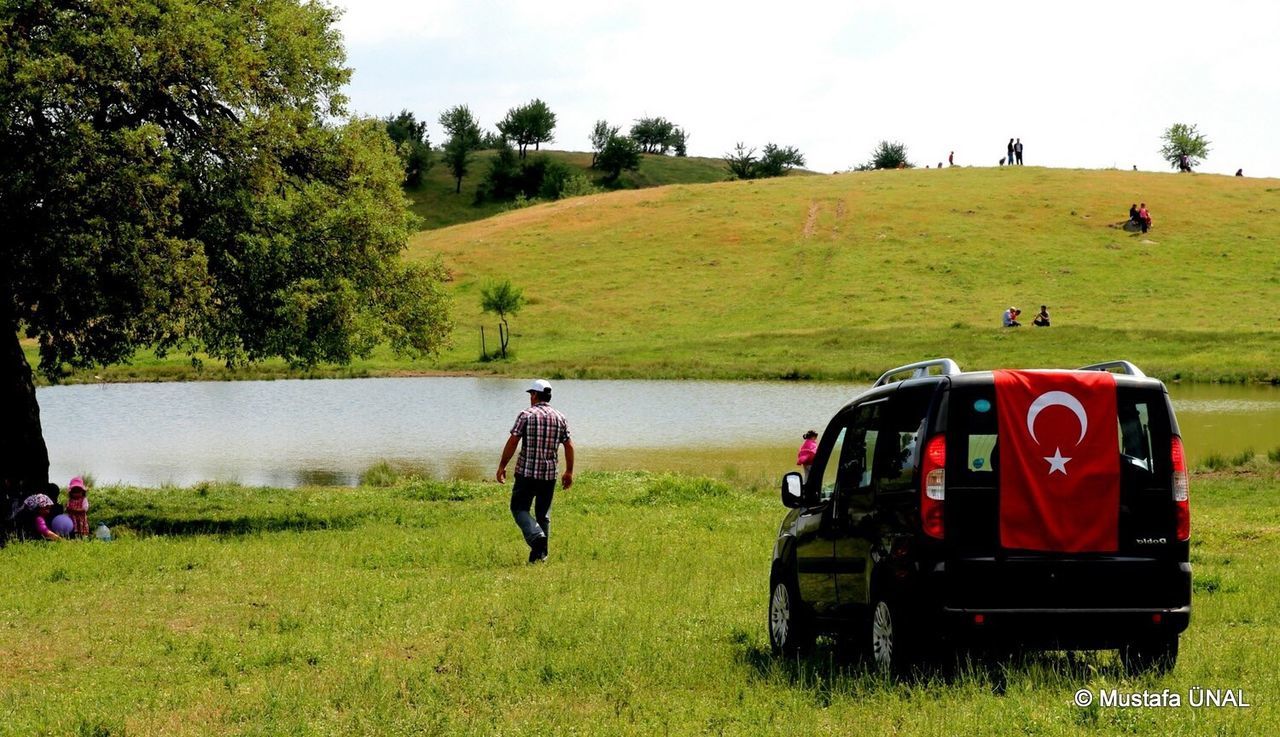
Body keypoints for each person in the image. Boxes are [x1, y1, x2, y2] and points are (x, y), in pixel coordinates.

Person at [496, 379, 574, 563]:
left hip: (526, 473)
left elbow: (513, 441)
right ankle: (540, 556)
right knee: (543, 514)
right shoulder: (559, 417)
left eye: (531, 394)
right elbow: (569, 445)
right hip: (549, 474)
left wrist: (502, 465)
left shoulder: (526, 415)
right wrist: (569, 471)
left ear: (535, 395)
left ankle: (536, 536)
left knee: (519, 508)